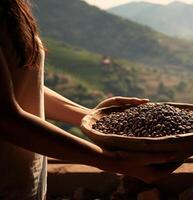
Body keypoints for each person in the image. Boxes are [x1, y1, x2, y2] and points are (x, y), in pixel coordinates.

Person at [0, 1, 177, 199]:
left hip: (23, 180)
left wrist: (94, 118)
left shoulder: (13, 6)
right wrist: (114, 161)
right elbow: (5, 120)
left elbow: (22, 84)